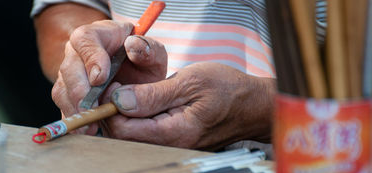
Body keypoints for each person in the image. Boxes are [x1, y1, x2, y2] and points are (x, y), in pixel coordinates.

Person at [31, 0, 276, 153]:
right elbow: (65, 5)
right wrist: (86, 58)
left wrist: (262, 107)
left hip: (287, 166)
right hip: (118, 155)